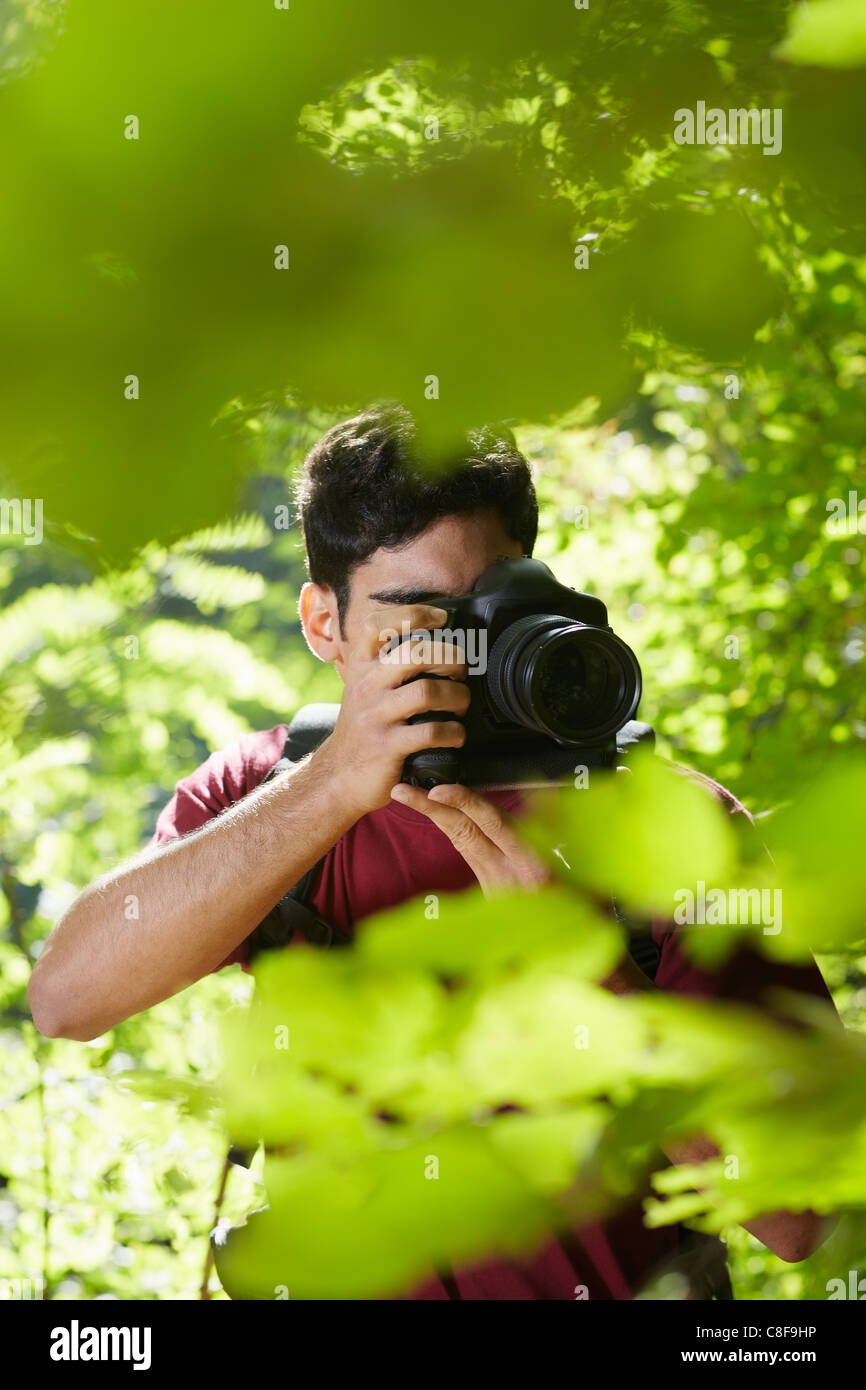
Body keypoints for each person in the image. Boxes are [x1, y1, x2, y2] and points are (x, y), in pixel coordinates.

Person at [28, 405, 835, 1298]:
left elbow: (798, 1215)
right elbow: (67, 999)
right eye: (420, 619)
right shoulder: (269, 793)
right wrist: (334, 785)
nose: (461, 651)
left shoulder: (668, 822)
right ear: (324, 625)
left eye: (491, 608)